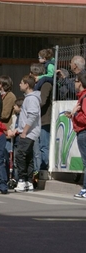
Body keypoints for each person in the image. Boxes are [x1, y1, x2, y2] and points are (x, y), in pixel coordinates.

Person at [11, 75, 41, 193]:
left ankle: (22, 180)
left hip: (28, 133)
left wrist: (24, 131)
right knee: (28, 157)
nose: (19, 84)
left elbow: (32, 115)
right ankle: (29, 181)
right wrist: (18, 129)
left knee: (20, 155)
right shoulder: (29, 98)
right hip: (26, 132)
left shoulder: (31, 99)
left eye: (21, 83)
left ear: (27, 85)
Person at [65, 71, 86, 200]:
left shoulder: (84, 97)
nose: (74, 83)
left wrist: (74, 115)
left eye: (76, 81)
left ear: (82, 83)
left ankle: (85, 189)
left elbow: (84, 117)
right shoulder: (82, 97)